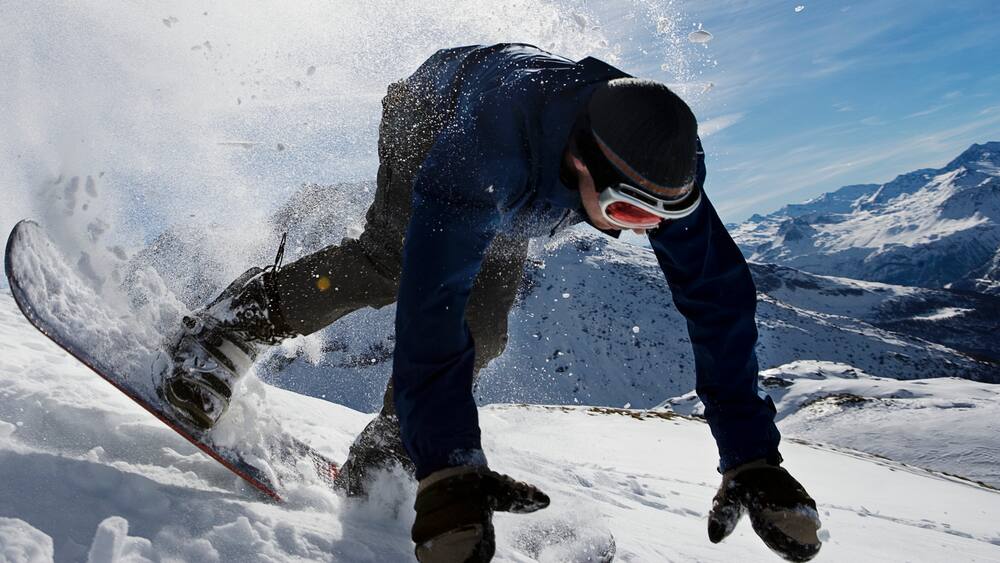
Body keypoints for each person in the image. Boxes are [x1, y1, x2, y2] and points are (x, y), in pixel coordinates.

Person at [160, 43, 822, 562]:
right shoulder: (486, 154)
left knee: (487, 330)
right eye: (622, 210)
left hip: (527, 170)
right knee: (390, 263)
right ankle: (228, 329)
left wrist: (752, 454)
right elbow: (429, 305)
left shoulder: (660, 161)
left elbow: (719, 297)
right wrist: (450, 466)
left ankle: (389, 444)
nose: (628, 229)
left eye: (657, 218)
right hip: (433, 117)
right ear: (584, 164)